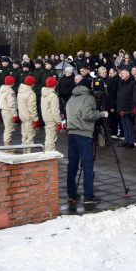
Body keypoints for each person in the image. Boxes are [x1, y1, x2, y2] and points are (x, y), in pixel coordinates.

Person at [65, 76, 109, 209]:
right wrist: (101, 114)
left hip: (72, 133)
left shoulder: (72, 97)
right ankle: (89, 196)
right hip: (83, 134)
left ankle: (71, 193)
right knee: (87, 165)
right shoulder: (88, 97)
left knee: (72, 165)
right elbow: (87, 115)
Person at [17, 76, 39, 152]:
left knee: (24, 135)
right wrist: (35, 119)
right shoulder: (31, 94)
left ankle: (24, 151)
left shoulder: (20, 92)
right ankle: (28, 153)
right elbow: (32, 108)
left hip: (22, 115)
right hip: (29, 117)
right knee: (30, 136)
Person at [41, 77, 61, 152]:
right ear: (54, 85)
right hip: (52, 119)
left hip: (46, 117)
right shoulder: (53, 96)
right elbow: (55, 111)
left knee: (48, 137)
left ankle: (46, 151)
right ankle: (50, 154)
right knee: (51, 139)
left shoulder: (44, 94)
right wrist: (59, 122)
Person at [0, 76, 19, 147]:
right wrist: (15, 114)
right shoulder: (10, 92)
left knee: (7, 128)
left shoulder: (1, 90)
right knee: (9, 129)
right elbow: (12, 104)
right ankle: (7, 145)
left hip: (3, 110)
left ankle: (6, 143)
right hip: (8, 111)